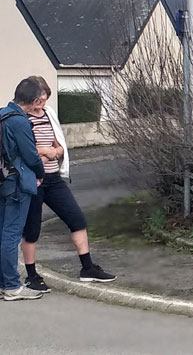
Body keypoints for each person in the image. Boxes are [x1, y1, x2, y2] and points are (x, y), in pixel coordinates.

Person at [20, 77, 115, 293]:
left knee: (77, 219)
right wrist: (45, 152)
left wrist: (54, 151)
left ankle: (87, 268)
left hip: (54, 179)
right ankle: (32, 275)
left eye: (44, 95)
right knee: (32, 229)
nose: (42, 99)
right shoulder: (21, 118)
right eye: (39, 96)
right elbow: (25, 150)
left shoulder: (49, 114)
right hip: (33, 181)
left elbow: (60, 145)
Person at [1, 77, 47, 301]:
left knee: (2, 232)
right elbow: (31, 155)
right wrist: (40, 173)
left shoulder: (2, 114)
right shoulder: (20, 121)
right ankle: (12, 286)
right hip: (18, 182)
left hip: (3, 180)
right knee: (11, 234)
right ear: (36, 100)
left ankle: (3, 283)